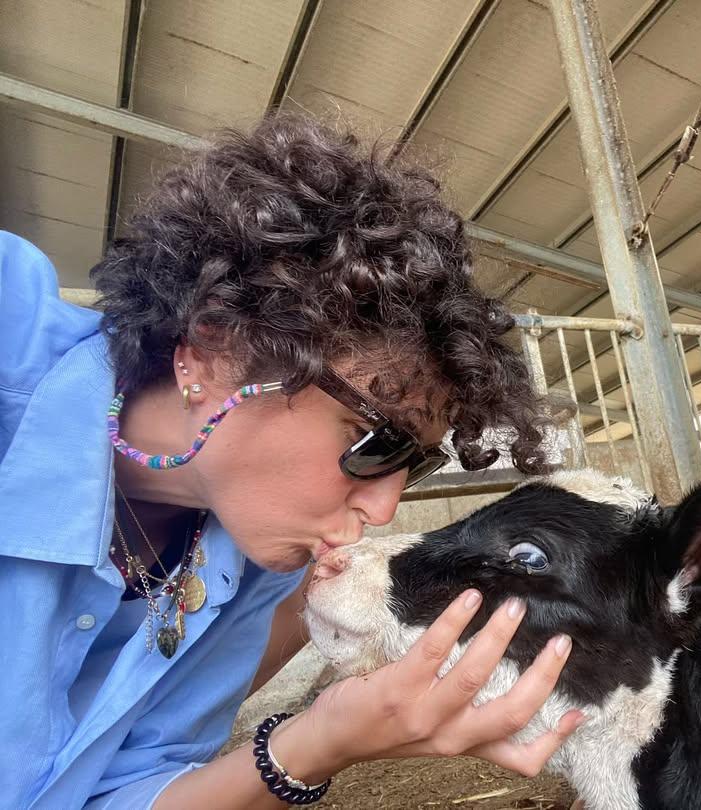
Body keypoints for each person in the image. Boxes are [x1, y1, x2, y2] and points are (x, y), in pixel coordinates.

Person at [0, 113, 586, 809]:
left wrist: (318, 743)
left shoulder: (252, 577)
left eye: (415, 465)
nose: (385, 507)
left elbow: (123, 787)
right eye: (377, 443)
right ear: (216, 354)